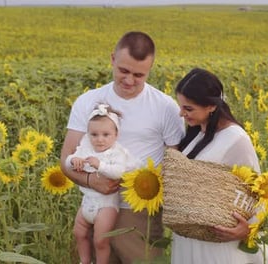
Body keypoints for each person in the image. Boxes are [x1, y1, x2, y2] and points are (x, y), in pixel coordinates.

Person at [60, 31, 186, 263]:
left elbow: (175, 163)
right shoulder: (87, 101)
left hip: (140, 211)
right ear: (112, 59)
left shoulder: (165, 107)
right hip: (94, 203)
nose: (129, 80)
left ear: (150, 69)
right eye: (124, 71)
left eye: (139, 75)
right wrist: (91, 181)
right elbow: (66, 157)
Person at [172, 67, 268, 264]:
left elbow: (260, 192)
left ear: (211, 106)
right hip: (190, 239)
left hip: (217, 245)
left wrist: (247, 229)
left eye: (188, 108)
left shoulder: (236, 139)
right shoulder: (197, 133)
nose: (181, 114)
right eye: (181, 106)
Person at [65, 104, 141, 264]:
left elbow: (119, 172)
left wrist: (100, 165)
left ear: (116, 134)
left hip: (106, 206)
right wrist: (74, 160)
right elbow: (67, 162)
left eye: (106, 134)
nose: (99, 139)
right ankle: (84, 261)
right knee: (79, 233)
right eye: (94, 134)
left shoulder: (117, 152)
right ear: (88, 134)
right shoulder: (86, 148)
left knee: (100, 241)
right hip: (87, 202)